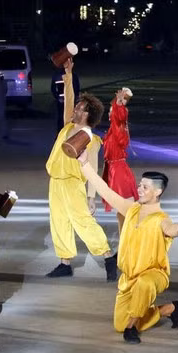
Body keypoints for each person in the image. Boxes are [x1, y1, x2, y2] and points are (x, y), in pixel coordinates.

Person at [78, 156, 178, 344]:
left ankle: (131, 329)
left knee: (143, 286)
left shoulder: (161, 218)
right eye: (140, 185)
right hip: (129, 278)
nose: (139, 189)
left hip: (154, 275)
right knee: (118, 324)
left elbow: (170, 230)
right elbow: (104, 190)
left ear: (157, 191)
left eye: (145, 187)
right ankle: (170, 309)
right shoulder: (131, 209)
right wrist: (84, 164)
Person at [45, 58, 116, 280]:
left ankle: (108, 255)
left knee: (82, 222)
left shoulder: (90, 139)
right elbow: (68, 100)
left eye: (80, 108)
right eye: (77, 106)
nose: (75, 108)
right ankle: (64, 262)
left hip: (73, 184)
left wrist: (91, 196)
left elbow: (93, 167)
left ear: (86, 114)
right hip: (56, 182)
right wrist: (68, 73)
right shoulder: (68, 125)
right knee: (59, 221)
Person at [102, 88, 138, 233]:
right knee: (121, 213)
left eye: (112, 110)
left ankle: (129, 242)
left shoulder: (118, 128)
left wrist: (119, 103)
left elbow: (119, 116)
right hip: (113, 170)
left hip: (119, 172)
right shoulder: (113, 129)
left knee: (125, 211)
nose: (110, 113)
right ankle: (124, 243)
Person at [51, 66, 80, 132]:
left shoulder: (73, 76)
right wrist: (58, 97)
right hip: (62, 101)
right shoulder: (57, 76)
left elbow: (76, 88)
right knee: (62, 118)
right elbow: (53, 88)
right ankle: (61, 132)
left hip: (68, 100)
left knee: (69, 117)